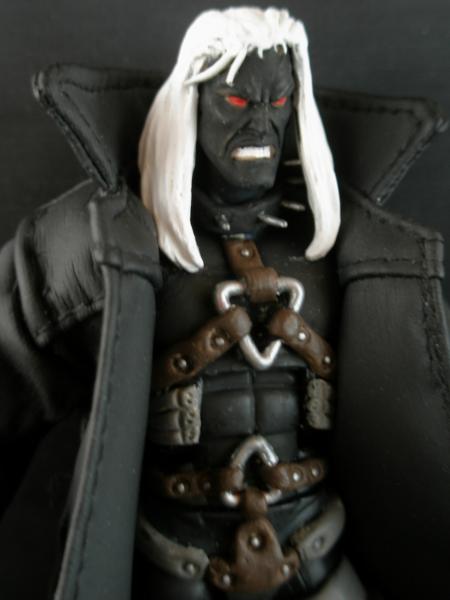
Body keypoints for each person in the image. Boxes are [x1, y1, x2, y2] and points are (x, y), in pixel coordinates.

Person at [0, 6, 449, 600]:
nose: (261, 124)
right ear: (190, 100)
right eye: (237, 102)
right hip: (174, 559)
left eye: (278, 102)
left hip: (317, 549)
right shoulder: (98, 241)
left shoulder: (352, 246)